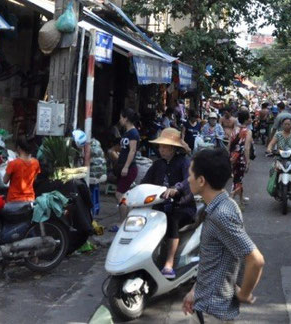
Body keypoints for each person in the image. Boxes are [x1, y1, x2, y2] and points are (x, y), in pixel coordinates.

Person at [182, 148, 264, 323]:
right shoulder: (225, 205)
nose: (188, 179)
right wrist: (195, 291)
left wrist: (244, 293)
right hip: (205, 304)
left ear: (201, 180)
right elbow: (214, 260)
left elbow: (255, 260)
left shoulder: (221, 214)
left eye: (190, 174)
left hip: (214, 311)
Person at [141, 128, 195, 279]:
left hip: (182, 207)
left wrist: (176, 189)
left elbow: (188, 180)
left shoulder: (184, 162)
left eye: (164, 146)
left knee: (171, 220)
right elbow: (145, 182)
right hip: (160, 205)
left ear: (173, 148)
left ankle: (169, 263)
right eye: (160, 146)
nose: (161, 149)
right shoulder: (157, 164)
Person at [112, 108, 140, 231]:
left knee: (120, 194)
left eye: (121, 117)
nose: (120, 120)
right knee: (124, 195)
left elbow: (132, 151)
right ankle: (126, 221)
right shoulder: (127, 132)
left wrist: (126, 167)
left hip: (129, 168)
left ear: (126, 118)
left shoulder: (133, 133)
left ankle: (122, 223)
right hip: (124, 167)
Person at [228, 111, 253, 210]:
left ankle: (241, 199)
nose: (251, 119)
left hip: (233, 157)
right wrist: (248, 161)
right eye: (250, 117)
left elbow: (229, 144)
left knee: (237, 178)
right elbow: (246, 148)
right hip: (241, 157)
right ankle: (232, 200)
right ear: (246, 120)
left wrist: (229, 156)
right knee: (238, 179)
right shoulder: (248, 131)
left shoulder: (235, 129)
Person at [3, 139, 40, 203]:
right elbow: (34, 178)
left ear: (19, 148)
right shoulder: (36, 163)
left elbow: (5, 181)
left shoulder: (13, 163)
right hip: (30, 199)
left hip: (14, 199)